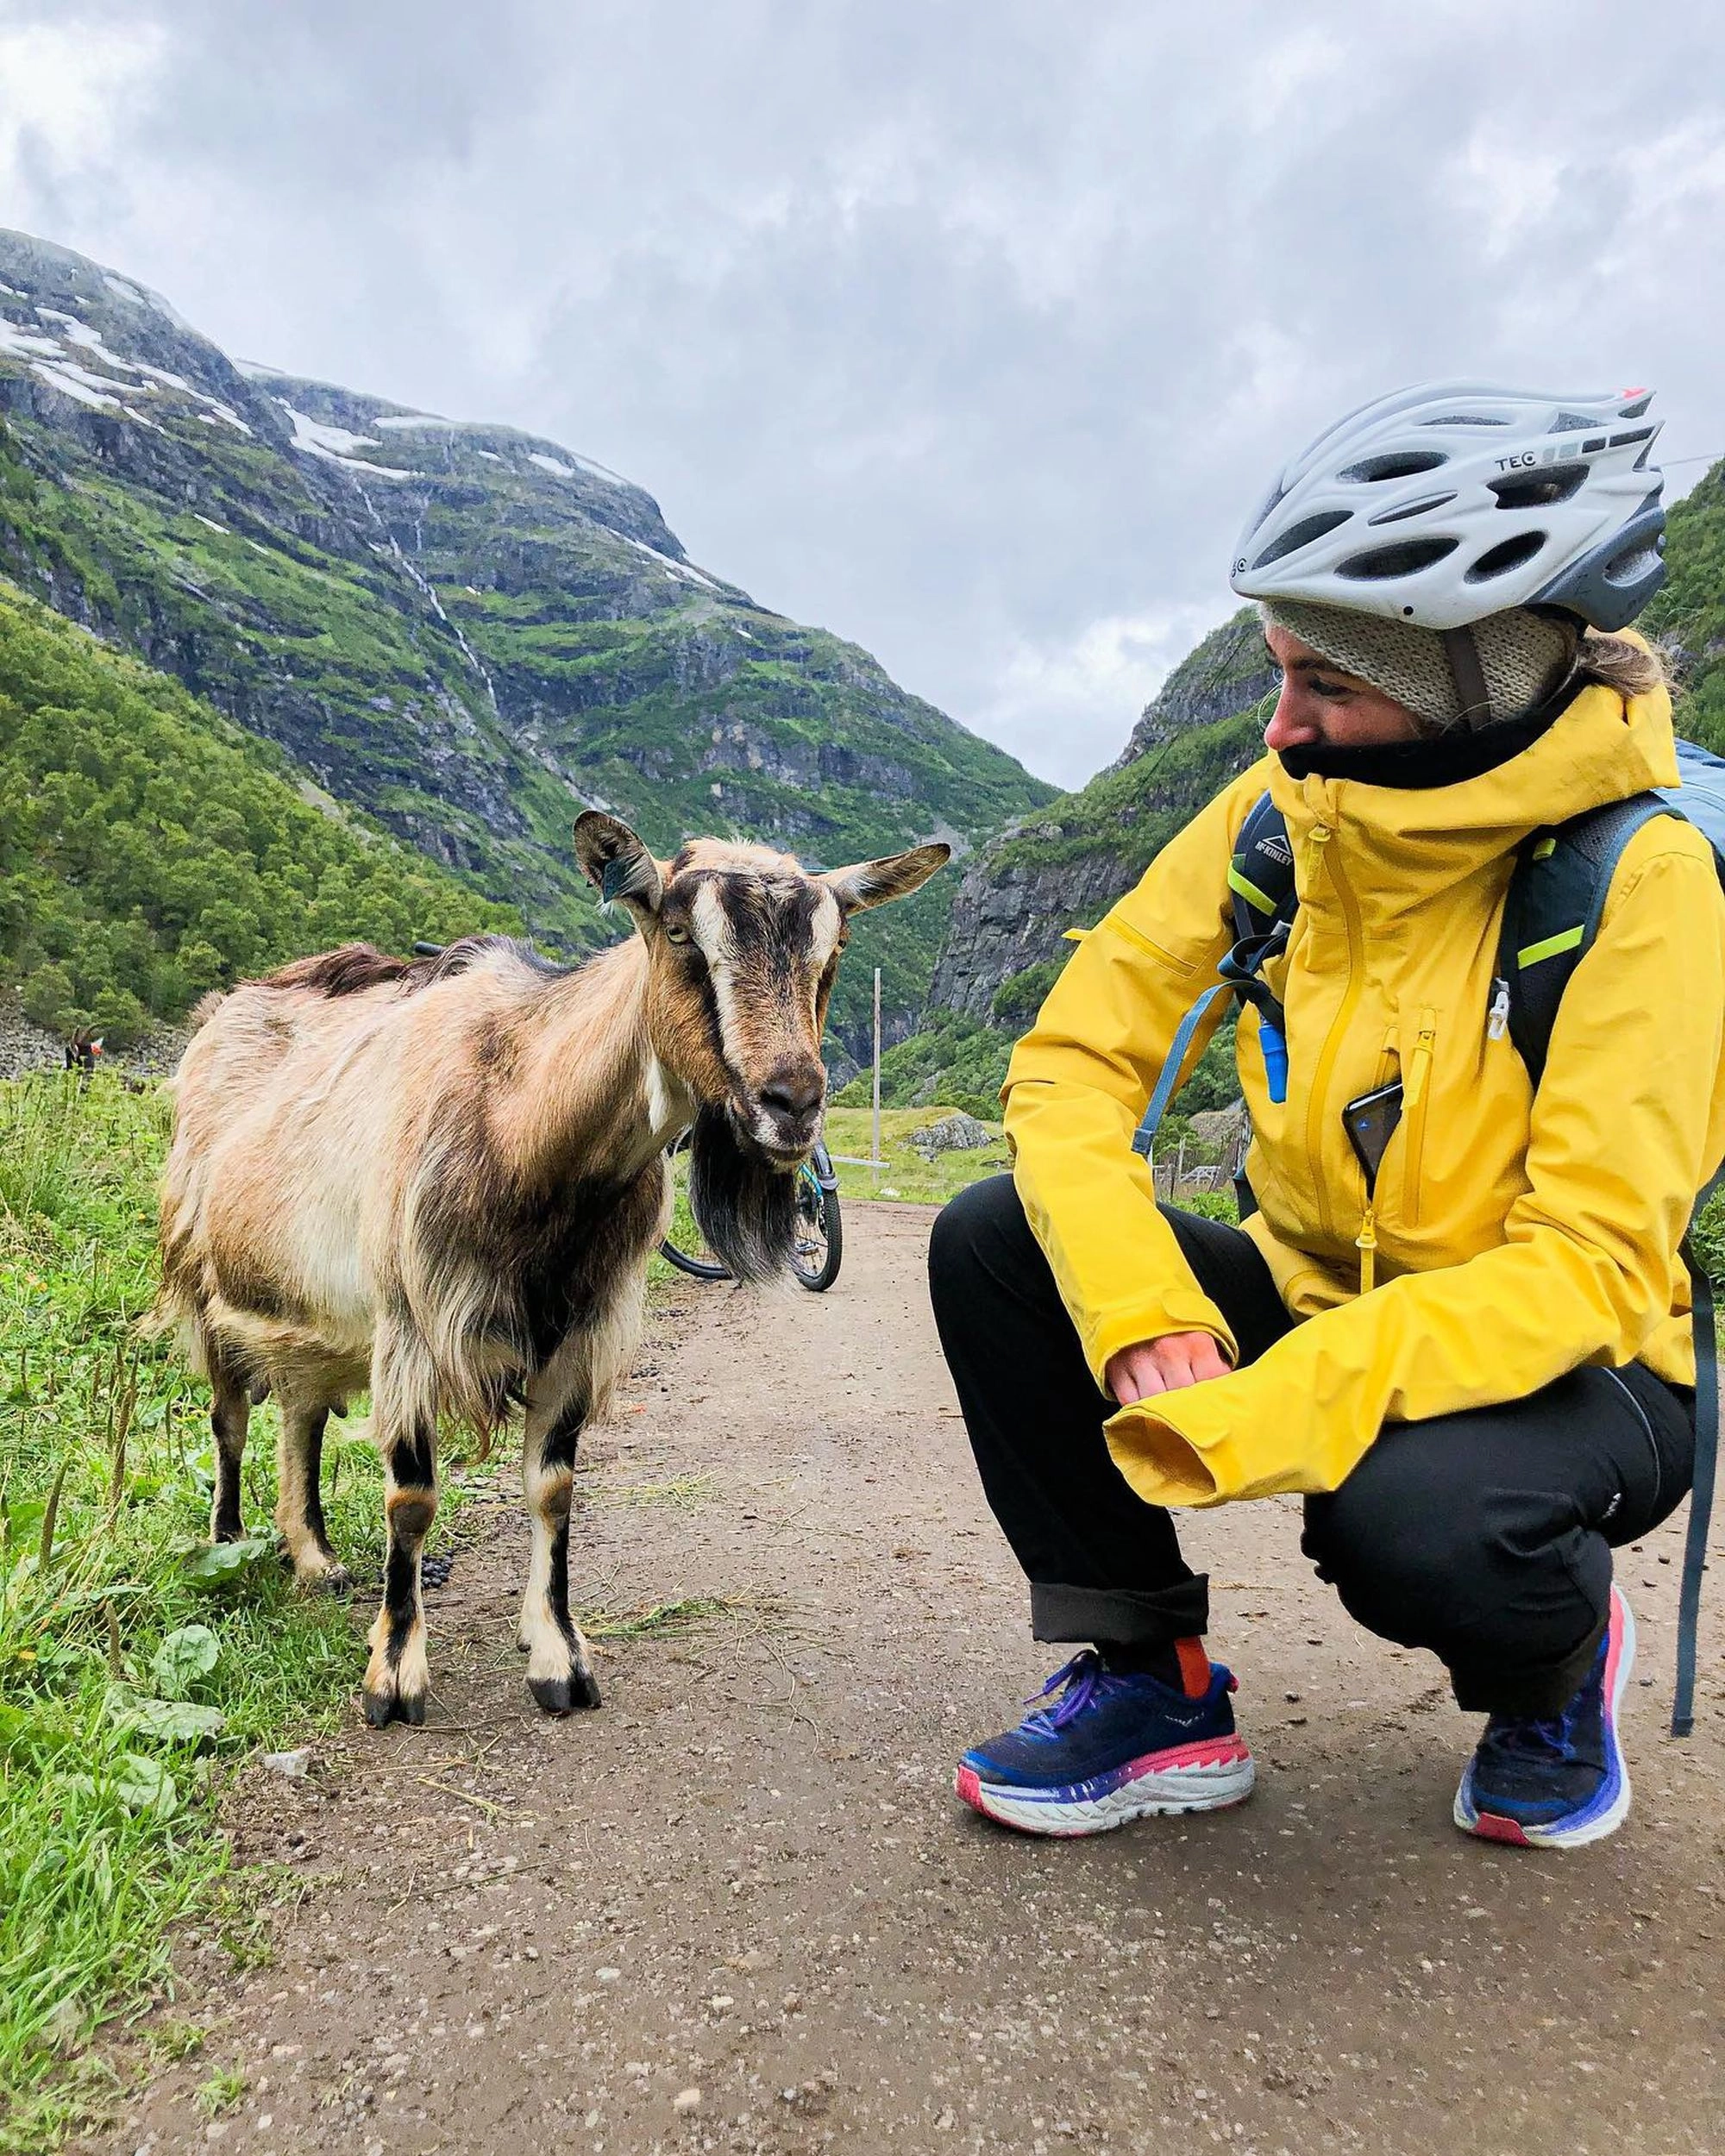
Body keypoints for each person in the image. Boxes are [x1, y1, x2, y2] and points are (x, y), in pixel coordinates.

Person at [929, 382, 1725, 1850]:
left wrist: (1266, 1411)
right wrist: (1135, 1305)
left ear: (1472, 682)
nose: (1282, 727)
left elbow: (1594, 1263)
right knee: (992, 1242)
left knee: (1410, 1523)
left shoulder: (1644, 883)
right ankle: (1153, 1681)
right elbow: (1071, 1062)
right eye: (1276, 670)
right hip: (1317, 1283)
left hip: (1584, 1360)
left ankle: (1552, 1676)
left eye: (1328, 686)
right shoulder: (1280, 813)